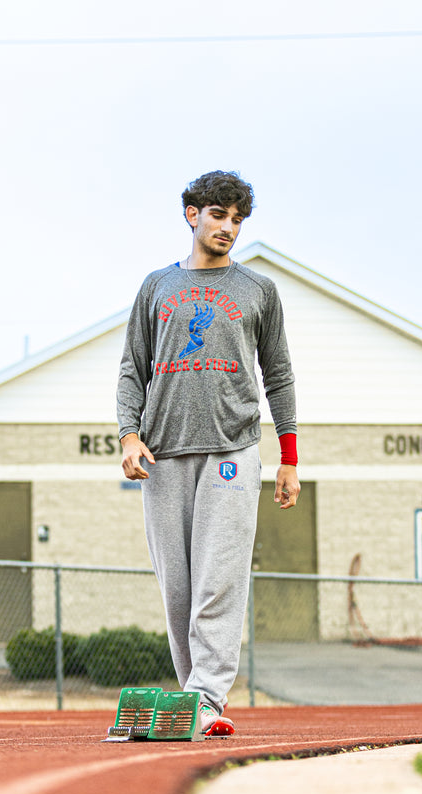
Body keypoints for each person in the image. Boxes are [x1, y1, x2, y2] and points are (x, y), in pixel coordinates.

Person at [116, 170, 299, 736]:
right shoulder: (156, 287)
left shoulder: (257, 291)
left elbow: (279, 375)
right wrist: (128, 435)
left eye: (238, 219)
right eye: (219, 215)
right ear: (192, 214)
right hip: (164, 453)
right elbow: (132, 369)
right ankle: (193, 697)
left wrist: (289, 458)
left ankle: (206, 696)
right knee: (178, 587)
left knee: (219, 578)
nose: (228, 228)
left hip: (233, 448)